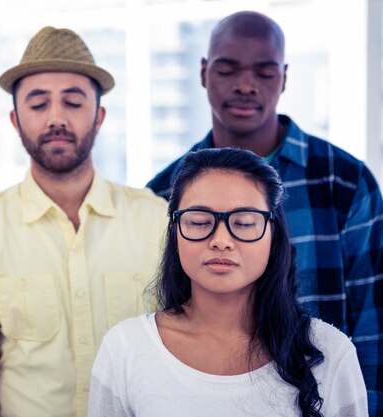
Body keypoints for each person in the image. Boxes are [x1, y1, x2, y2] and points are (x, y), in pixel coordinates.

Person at [146, 11, 383, 415]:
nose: (244, 85)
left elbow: (373, 318)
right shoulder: (165, 193)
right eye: (228, 68)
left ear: (285, 77)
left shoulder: (343, 181)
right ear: (204, 73)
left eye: (264, 71)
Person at [0, 26, 167, 417]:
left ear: (99, 117)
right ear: (15, 120)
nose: (56, 118)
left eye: (73, 102)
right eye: (38, 103)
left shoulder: (156, 220)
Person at [89, 147, 368, 417]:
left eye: (244, 223)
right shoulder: (125, 349)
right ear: (175, 233)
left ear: (274, 236)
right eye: (199, 222)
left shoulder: (329, 352)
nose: (221, 241)